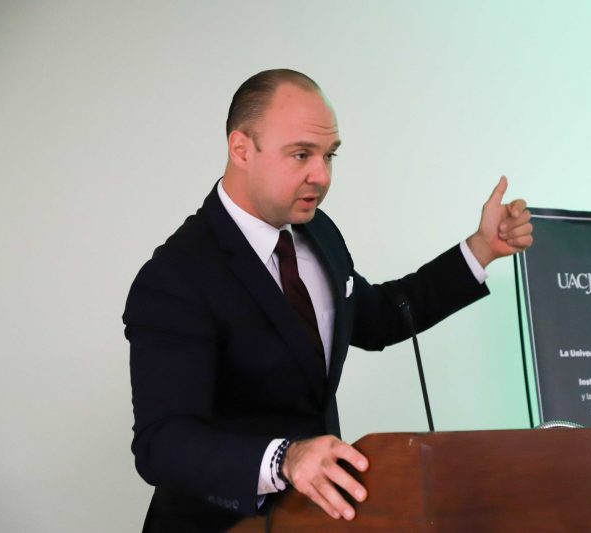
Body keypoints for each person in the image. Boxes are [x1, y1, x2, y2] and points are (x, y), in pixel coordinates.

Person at [123, 69, 533, 532]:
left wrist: (480, 250)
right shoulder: (175, 276)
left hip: (317, 521)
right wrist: (285, 458)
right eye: (301, 154)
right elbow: (163, 444)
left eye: (329, 155)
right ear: (241, 149)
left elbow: (380, 318)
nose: (321, 175)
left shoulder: (319, 231)